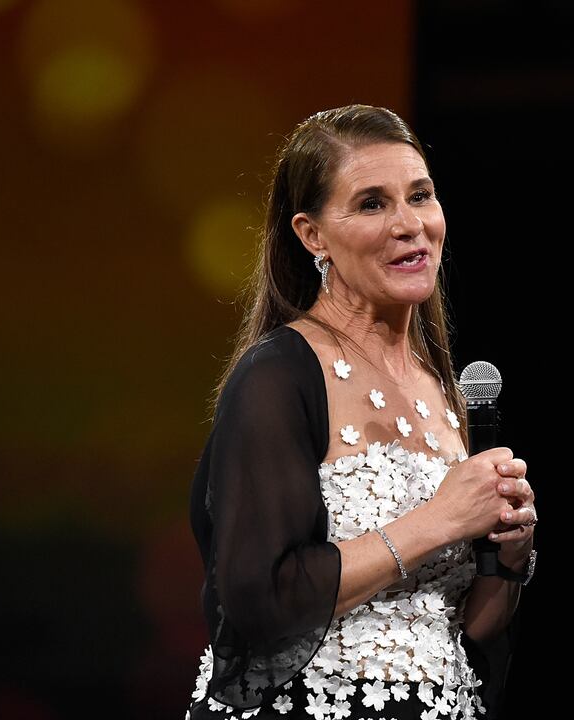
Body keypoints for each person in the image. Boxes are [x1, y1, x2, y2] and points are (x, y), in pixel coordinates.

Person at [186, 105, 538, 720]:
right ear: (312, 234)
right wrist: (439, 520)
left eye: (420, 196)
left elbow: (468, 630)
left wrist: (505, 561)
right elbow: (259, 597)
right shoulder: (279, 376)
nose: (410, 225)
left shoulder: (442, 389)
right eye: (372, 203)